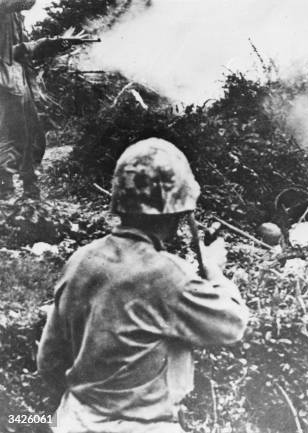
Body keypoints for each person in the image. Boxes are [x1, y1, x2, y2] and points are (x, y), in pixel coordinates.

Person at [37, 138, 249, 433]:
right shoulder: (167, 274)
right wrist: (215, 273)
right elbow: (232, 325)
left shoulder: (80, 261)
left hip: (72, 420)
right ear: (176, 212)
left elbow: (49, 360)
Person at [0, 0, 71, 198]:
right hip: (5, 81)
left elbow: (19, 50)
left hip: (16, 77)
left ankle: (30, 188)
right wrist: (42, 44)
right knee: (10, 136)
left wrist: (52, 44)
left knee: (33, 134)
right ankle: (6, 193)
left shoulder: (12, 14)